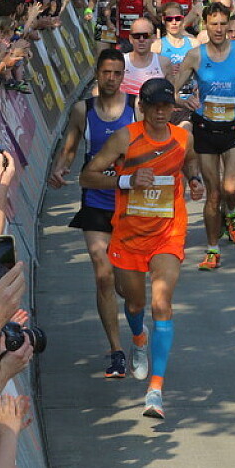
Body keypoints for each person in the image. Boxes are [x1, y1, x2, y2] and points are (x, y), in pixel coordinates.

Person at [80, 78, 205, 419]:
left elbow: (190, 160)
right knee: (134, 302)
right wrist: (126, 180)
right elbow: (87, 176)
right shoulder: (126, 138)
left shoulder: (183, 137)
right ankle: (138, 337)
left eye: (167, 106)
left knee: (162, 303)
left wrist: (195, 179)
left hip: (168, 233)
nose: (162, 112)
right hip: (129, 236)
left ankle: (156, 390)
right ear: (143, 107)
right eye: (155, 107)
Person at [49, 49, 136, 378]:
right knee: (103, 274)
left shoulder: (136, 108)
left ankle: (137, 331)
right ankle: (116, 351)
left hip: (130, 205)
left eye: (117, 73)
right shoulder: (82, 110)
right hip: (96, 201)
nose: (111, 79)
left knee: (127, 288)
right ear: (97, 74)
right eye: (106, 73)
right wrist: (60, 168)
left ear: (123, 76)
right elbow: (70, 148)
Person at [169, 2, 235, 269]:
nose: (219, 29)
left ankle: (232, 212)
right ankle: (212, 250)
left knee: (230, 187)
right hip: (205, 129)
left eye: (224, 24)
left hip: (234, 127)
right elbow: (174, 90)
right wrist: (183, 100)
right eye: (214, 24)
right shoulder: (195, 55)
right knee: (213, 195)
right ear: (206, 25)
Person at [121, 18, 169, 96]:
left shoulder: (164, 62)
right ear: (130, 39)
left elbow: (172, 93)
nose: (141, 39)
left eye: (146, 36)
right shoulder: (121, 62)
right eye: (137, 36)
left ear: (153, 38)